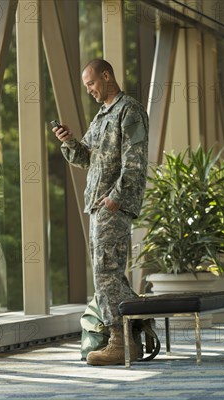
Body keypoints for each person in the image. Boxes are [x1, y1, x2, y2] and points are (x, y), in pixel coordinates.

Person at [53, 59, 149, 366]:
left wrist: (115, 198)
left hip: (114, 204)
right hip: (97, 204)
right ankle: (134, 325)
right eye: (86, 86)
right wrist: (68, 142)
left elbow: (135, 160)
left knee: (106, 270)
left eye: (91, 83)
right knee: (106, 272)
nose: (90, 90)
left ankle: (121, 340)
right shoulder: (101, 116)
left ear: (106, 75)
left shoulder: (128, 110)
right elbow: (87, 158)